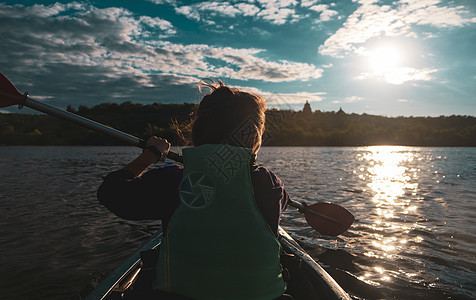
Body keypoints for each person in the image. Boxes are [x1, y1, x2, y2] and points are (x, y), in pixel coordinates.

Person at [97, 80, 291, 299]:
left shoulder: (172, 179)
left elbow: (110, 193)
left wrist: (150, 155)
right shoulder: (271, 184)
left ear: (199, 131)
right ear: (254, 137)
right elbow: (280, 200)